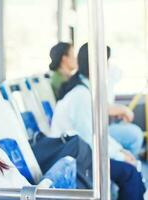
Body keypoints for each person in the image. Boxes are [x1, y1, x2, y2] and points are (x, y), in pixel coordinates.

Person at [51, 43, 146, 199]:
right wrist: (120, 156)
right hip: (75, 157)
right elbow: (89, 138)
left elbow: (98, 132)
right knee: (131, 174)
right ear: (97, 67)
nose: (109, 68)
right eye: (106, 64)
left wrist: (119, 151)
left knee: (131, 169)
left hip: (82, 151)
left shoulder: (85, 91)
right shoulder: (81, 96)